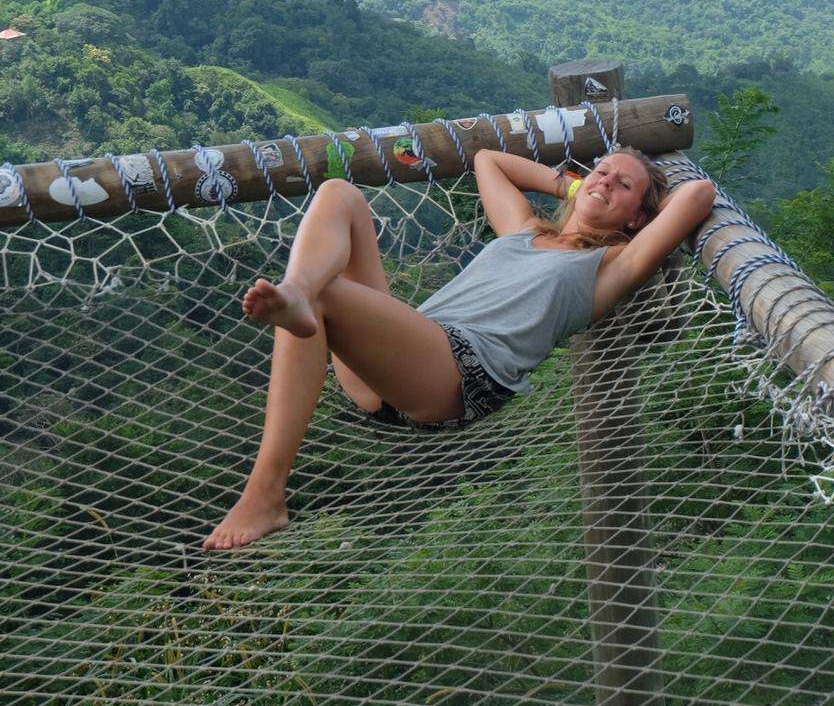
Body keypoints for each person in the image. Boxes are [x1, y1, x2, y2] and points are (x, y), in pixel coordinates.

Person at [202, 144, 716, 551]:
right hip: (402, 358)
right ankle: (297, 294)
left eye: (622, 184)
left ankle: (266, 492)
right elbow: (487, 161)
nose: (605, 180)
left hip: (459, 375)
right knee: (340, 194)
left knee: (324, 295)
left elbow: (697, 195)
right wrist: (585, 185)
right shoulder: (522, 231)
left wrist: (618, 199)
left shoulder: (612, 266)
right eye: (601, 171)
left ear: (636, 219)